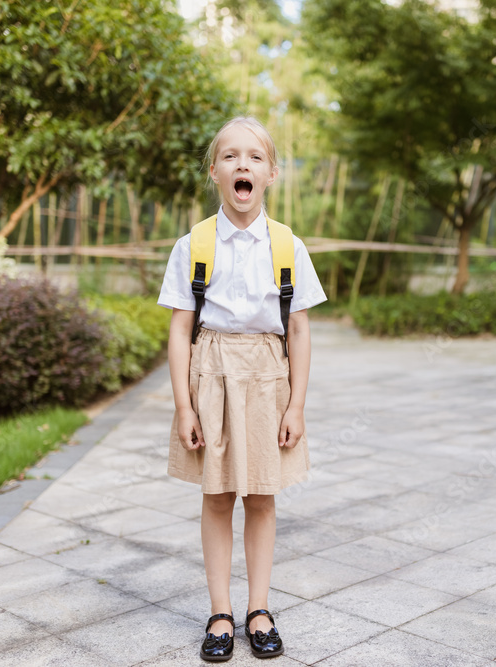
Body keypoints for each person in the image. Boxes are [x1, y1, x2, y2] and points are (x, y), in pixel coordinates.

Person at [157, 116, 327, 661]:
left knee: (260, 497)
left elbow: (298, 328)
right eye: (230, 157)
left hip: (266, 375)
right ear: (215, 172)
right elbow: (181, 326)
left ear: (271, 173)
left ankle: (258, 608)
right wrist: (184, 406)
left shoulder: (287, 246)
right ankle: (220, 613)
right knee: (216, 497)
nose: (242, 165)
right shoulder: (194, 243)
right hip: (210, 374)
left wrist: (296, 404)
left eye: (254, 157)